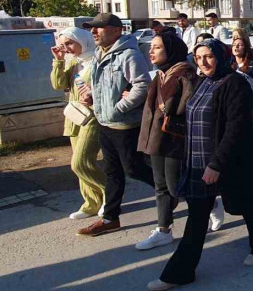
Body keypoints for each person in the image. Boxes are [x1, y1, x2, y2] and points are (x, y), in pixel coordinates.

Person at [148, 39, 253, 291]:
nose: (203, 62)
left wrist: (216, 164)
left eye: (208, 56)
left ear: (220, 56)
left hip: (226, 161)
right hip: (197, 160)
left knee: (246, 204)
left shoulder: (235, 83)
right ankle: (180, 272)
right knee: (197, 216)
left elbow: (235, 128)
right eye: (198, 57)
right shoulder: (201, 82)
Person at [76, 13, 153, 237]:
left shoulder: (129, 54)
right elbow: (103, 86)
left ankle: (173, 191)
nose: (94, 32)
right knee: (112, 172)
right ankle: (110, 218)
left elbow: (142, 85)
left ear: (117, 30)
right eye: (92, 28)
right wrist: (91, 96)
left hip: (125, 126)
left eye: (99, 27)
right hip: (105, 123)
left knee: (134, 168)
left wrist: (118, 108)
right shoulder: (100, 54)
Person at [136, 32, 197, 250]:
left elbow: (185, 107)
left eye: (157, 47)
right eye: (151, 47)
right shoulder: (160, 74)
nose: (151, 51)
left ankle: (208, 205)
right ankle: (163, 229)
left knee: (175, 186)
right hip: (156, 136)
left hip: (174, 139)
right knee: (161, 186)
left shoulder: (184, 74)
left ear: (170, 50)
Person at [50, 27, 106, 221]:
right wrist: (58, 60)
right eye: (63, 44)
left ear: (83, 40)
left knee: (80, 162)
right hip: (74, 116)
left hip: (93, 117)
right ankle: (91, 203)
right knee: (79, 162)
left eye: (70, 43)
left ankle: (110, 194)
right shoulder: (74, 62)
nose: (67, 48)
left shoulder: (98, 60)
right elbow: (58, 84)